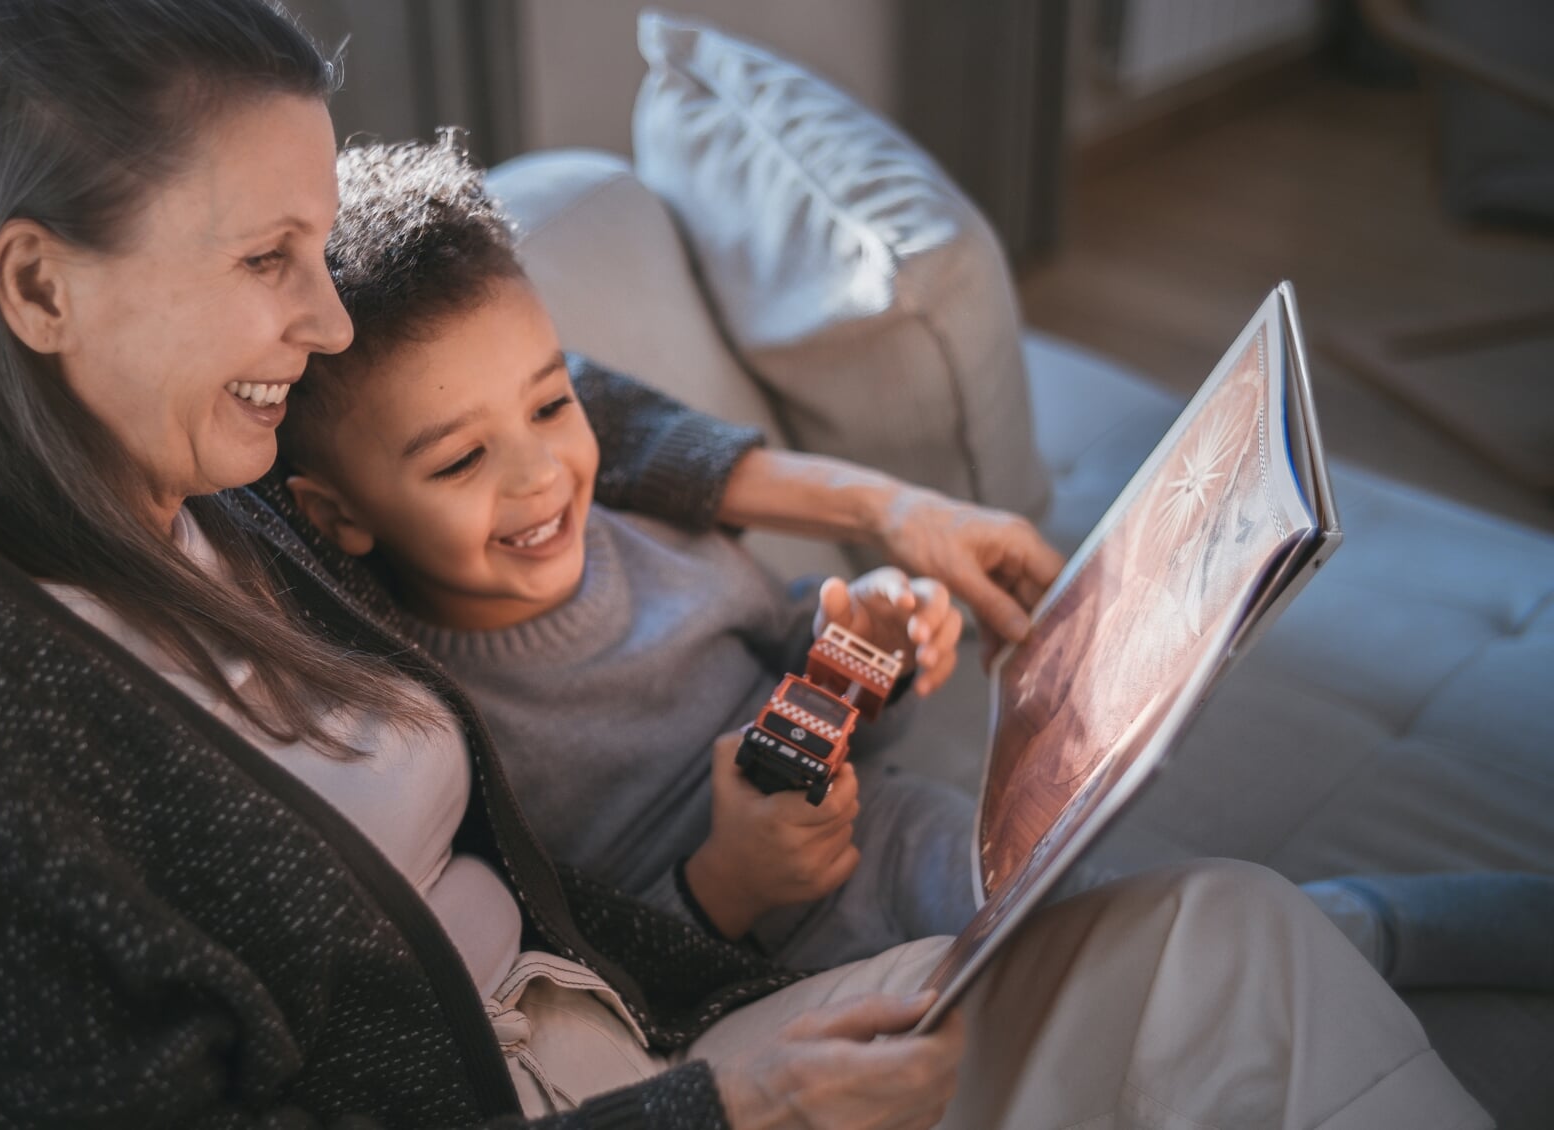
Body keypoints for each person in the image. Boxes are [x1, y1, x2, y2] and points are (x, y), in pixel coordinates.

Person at [0, 1, 1493, 1127]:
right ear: (41, 288)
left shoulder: (221, 499)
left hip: (674, 1039)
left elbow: (537, 405)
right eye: (271, 258)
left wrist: (878, 515)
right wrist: (711, 1109)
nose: (328, 315)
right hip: (664, 1102)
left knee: (1230, 948)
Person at [282, 136, 1554, 996]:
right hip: (762, 974)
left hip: (893, 836)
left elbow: (780, 645)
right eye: (457, 464)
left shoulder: (644, 529)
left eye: (554, 407)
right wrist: (720, 885)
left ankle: (1357, 925)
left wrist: (862, 645)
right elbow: (576, 976)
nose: (538, 478)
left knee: (1147, 935)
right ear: (339, 515)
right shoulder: (439, 727)